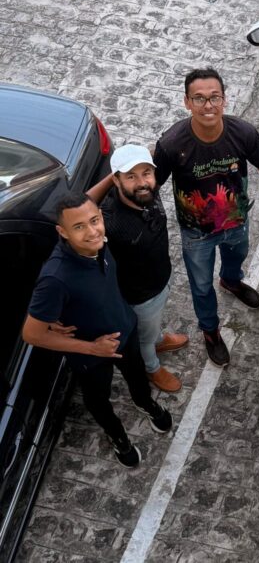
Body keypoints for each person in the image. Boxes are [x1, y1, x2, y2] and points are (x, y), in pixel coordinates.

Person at [153, 67, 259, 367]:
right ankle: (210, 331)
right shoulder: (171, 144)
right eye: (200, 98)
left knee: (236, 258)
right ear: (187, 102)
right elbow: (150, 184)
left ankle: (231, 282)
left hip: (236, 222)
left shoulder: (242, 133)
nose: (208, 105)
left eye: (214, 97)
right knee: (201, 286)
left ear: (224, 100)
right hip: (196, 234)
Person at [22, 192, 173, 468]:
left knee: (138, 378)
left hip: (125, 330)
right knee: (98, 400)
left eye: (95, 220)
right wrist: (92, 348)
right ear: (62, 232)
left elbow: (87, 201)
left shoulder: (99, 243)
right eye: (79, 227)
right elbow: (32, 334)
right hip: (90, 356)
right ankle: (117, 436)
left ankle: (145, 403)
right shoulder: (55, 277)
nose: (92, 231)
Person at [87, 144, 187, 393]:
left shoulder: (149, 192)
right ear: (116, 181)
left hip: (162, 275)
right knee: (143, 335)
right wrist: (111, 179)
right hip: (140, 296)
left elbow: (165, 147)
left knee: (152, 327)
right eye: (130, 176)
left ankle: (159, 340)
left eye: (146, 173)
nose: (142, 182)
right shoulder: (109, 221)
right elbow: (74, 210)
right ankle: (151, 367)